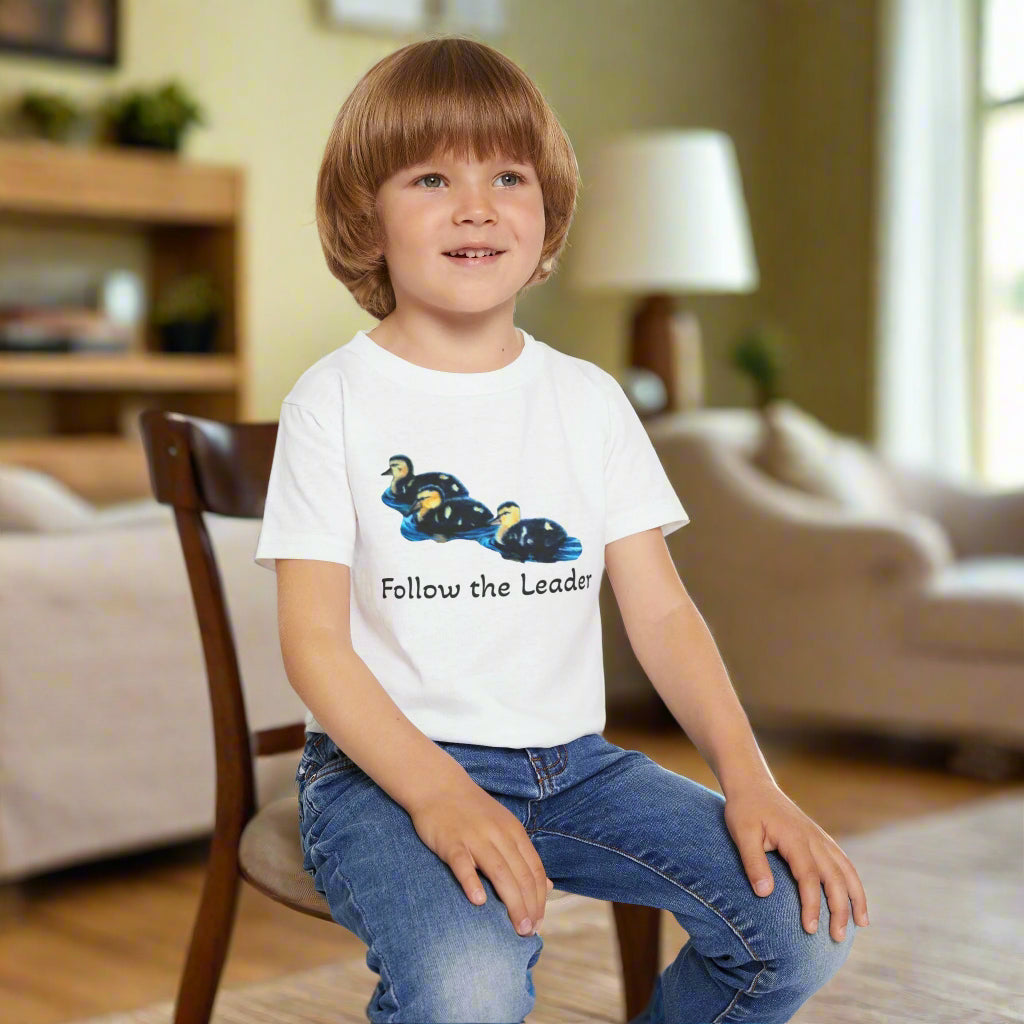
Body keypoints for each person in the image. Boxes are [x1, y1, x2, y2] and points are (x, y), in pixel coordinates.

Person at [254, 35, 869, 1024]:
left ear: (544, 221)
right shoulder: (332, 400)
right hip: (383, 773)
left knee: (802, 925)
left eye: (508, 174)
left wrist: (750, 781)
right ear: (365, 219)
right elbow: (312, 642)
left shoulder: (586, 401)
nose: (477, 204)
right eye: (430, 176)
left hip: (572, 765)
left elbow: (663, 614)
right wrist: (439, 793)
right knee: (467, 991)